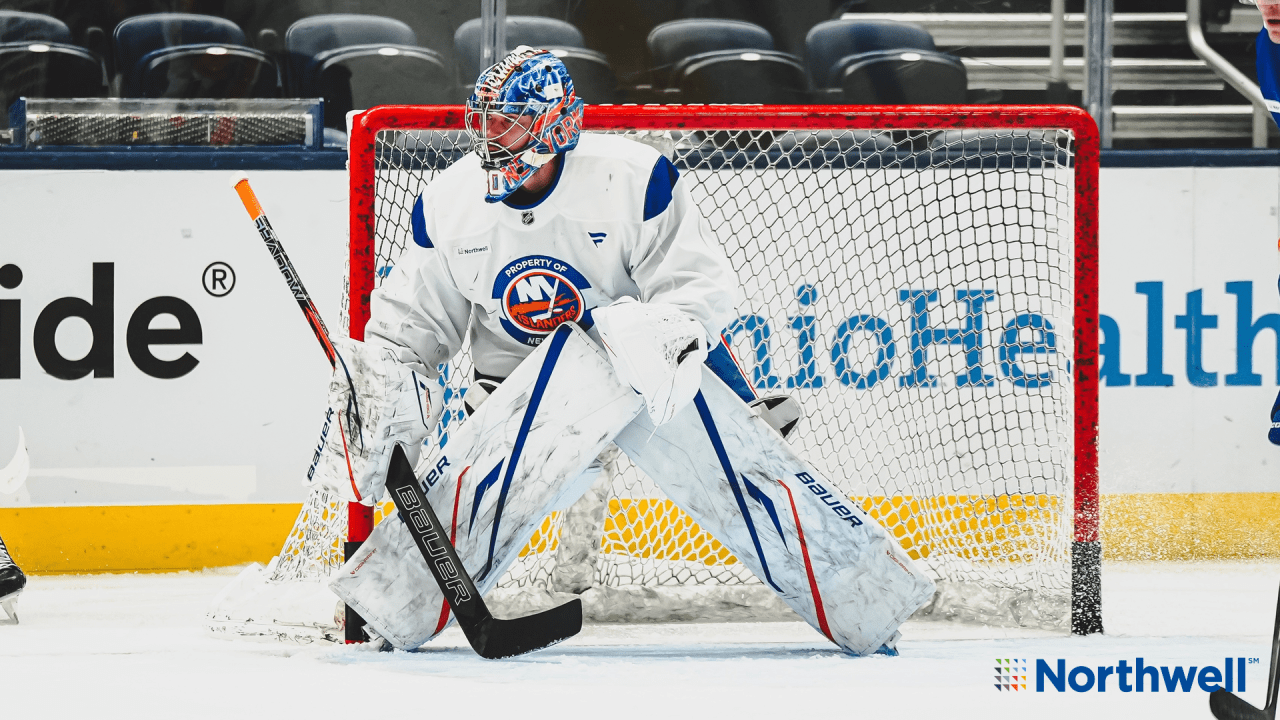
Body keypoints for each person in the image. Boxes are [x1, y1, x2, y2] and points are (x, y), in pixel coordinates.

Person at [311, 46, 934, 656]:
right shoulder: (448, 204)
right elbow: (409, 329)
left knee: (748, 474)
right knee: (460, 516)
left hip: (643, 375)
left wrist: (628, 335)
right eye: (486, 121)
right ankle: (384, 610)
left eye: (512, 121)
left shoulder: (632, 178)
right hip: (514, 387)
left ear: (557, 123)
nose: (493, 138)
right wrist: (383, 391)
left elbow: (700, 296)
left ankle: (869, 600)